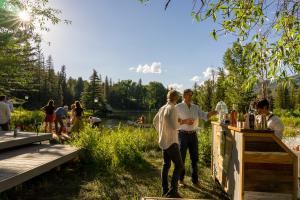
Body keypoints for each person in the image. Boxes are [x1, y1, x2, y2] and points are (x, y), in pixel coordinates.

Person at [176, 89, 217, 187]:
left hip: (193, 134)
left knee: (194, 158)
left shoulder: (195, 107)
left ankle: (195, 180)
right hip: (182, 134)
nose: (191, 97)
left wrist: (212, 113)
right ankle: (180, 180)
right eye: (189, 95)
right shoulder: (178, 107)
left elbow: (204, 115)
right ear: (184, 96)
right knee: (181, 157)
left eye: (191, 95)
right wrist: (185, 121)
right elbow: (174, 120)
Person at [153, 90, 183, 198]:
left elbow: (154, 121)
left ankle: (164, 190)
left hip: (163, 141)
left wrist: (161, 132)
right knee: (179, 166)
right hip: (171, 142)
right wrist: (181, 122)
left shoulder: (162, 108)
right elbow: (176, 126)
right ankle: (173, 192)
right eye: (178, 97)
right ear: (176, 98)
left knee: (166, 165)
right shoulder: (173, 109)